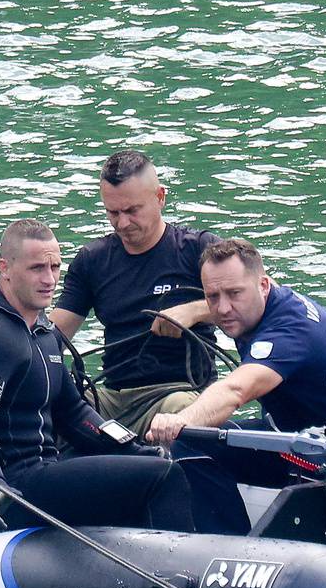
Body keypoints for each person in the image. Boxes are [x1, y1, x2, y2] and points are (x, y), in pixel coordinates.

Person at [0, 219, 198, 533]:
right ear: (5, 268)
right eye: (37, 268)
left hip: (45, 470)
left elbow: (75, 414)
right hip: (10, 490)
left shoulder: (42, 330)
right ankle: (178, 575)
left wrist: (134, 449)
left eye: (55, 268)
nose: (49, 279)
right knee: (162, 476)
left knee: (157, 463)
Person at [145, 238, 326, 534]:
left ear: (263, 286)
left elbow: (236, 390)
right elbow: (231, 297)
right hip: (298, 436)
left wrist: (181, 420)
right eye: (212, 296)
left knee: (188, 437)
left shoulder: (289, 331)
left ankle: (229, 549)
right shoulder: (262, 304)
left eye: (234, 294)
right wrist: (195, 311)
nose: (223, 308)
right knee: (196, 443)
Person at [50, 150, 222, 433]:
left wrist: (194, 310)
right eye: (112, 212)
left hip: (178, 393)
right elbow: (53, 336)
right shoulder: (92, 260)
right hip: (111, 397)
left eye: (132, 211)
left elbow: (260, 299)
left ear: (160, 197)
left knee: (179, 418)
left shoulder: (198, 249)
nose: (122, 223)